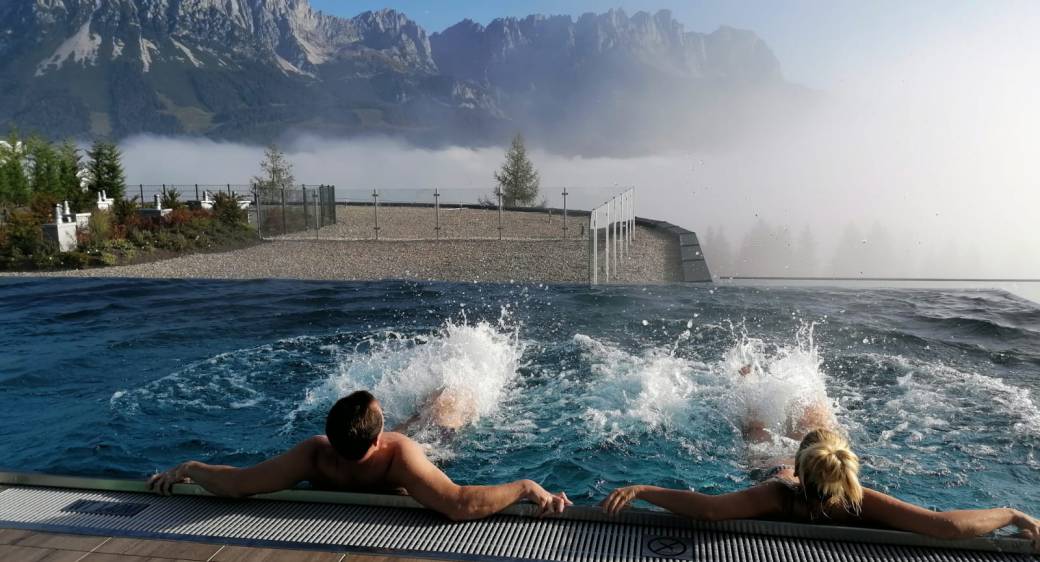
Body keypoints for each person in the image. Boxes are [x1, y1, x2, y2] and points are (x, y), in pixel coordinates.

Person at [601, 366, 1040, 548]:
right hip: (812, 466)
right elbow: (944, 525)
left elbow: (712, 510)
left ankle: (749, 378)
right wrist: (1013, 513)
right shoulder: (859, 500)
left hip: (777, 465)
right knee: (814, 420)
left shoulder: (777, 492)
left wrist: (644, 489)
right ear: (847, 470)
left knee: (756, 434)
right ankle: (803, 389)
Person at [149, 390, 571, 521]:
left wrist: (190, 468)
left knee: (412, 428)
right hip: (401, 470)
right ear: (377, 439)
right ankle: (438, 403)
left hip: (363, 458)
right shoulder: (399, 453)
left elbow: (237, 484)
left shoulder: (315, 453)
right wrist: (525, 487)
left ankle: (424, 408)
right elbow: (459, 503)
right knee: (446, 427)